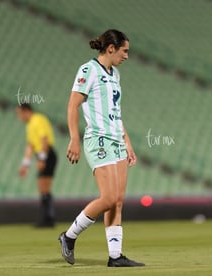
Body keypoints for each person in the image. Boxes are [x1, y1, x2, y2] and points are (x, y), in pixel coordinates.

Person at [58, 29, 145, 267]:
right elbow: (72, 105)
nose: (127, 56)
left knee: (117, 200)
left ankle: (115, 256)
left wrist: (126, 140)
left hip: (116, 139)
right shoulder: (89, 70)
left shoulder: (114, 73)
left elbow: (115, 111)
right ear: (110, 49)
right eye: (124, 51)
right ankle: (69, 236)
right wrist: (74, 138)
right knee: (107, 198)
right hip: (99, 140)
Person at [16, 103, 58, 227]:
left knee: (44, 187)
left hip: (47, 154)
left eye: (19, 113)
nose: (19, 116)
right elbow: (30, 145)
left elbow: (44, 140)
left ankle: (48, 219)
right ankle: (47, 218)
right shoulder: (29, 125)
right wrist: (25, 164)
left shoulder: (37, 120)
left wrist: (42, 159)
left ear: (26, 111)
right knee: (43, 189)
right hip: (42, 155)